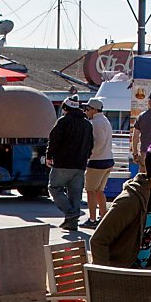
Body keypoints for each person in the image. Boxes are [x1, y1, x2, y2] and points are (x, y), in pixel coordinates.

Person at [91, 140, 151, 269]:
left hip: (143, 277)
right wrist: (108, 279)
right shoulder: (130, 201)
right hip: (121, 279)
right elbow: (98, 241)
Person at [44, 95, 95, 235]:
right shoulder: (87, 124)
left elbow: (53, 140)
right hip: (80, 165)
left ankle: (70, 213)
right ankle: (72, 224)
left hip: (62, 163)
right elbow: (91, 145)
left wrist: (49, 156)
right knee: (75, 194)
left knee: (54, 188)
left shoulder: (63, 121)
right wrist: (85, 157)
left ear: (65, 108)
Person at [84, 99, 115, 226]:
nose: (86, 111)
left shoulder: (96, 122)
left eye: (88, 109)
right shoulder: (105, 120)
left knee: (90, 191)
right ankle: (104, 217)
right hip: (108, 159)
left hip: (97, 161)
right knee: (99, 191)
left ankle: (92, 220)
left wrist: (88, 155)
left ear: (94, 110)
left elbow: (99, 142)